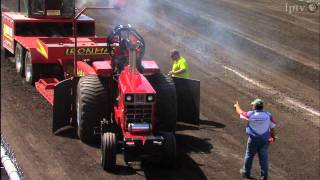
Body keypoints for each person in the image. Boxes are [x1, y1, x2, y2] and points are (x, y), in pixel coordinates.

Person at [234, 98, 276, 180]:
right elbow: (272, 128)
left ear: (254, 107)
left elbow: (240, 112)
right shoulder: (268, 115)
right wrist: (273, 137)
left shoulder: (250, 114)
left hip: (253, 140)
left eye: (252, 105)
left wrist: (236, 105)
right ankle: (264, 177)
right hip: (264, 140)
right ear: (262, 107)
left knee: (249, 155)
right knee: (264, 159)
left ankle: (246, 173)